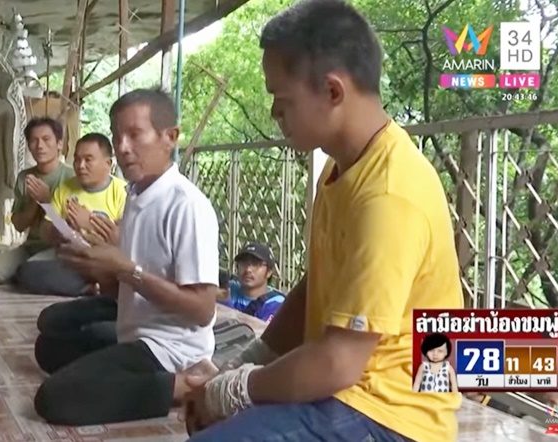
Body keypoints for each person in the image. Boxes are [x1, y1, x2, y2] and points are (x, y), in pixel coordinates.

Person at [183, 1, 464, 441]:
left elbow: (338, 362)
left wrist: (235, 390)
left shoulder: (389, 194)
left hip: (390, 416)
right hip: (343, 392)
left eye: (282, 99)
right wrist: (245, 362)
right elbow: (317, 287)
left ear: (333, 92)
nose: (274, 113)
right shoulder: (341, 168)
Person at [32, 88, 220, 426]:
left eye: (135, 134)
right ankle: (129, 371)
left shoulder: (187, 205)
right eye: (117, 136)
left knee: (54, 398)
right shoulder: (135, 195)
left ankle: (185, 385)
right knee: (48, 347)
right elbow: (124, 284)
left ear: (170, 137)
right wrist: (99, 269)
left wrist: (125, 270)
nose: (122, 147)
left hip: (171, 348)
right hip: (133, 327)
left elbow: (203, 310)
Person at [16, 132, 128, 296]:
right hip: (71, 258)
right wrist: (65, 228)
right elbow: (46, 230)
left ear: (108, 163)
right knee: (26, 272)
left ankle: (96, 283)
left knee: (117, 270)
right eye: (77, 159)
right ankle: (91, 287)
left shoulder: (122, 192)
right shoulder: (65, 188)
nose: (80, 166)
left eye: (88, 160)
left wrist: (89, 222)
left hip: (103, 260)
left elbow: (124, 240)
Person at [0, 117, 73, 285]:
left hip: (60, 248)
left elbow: (70, 228)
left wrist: (47, 201)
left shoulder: (71, 177)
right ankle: (24, 273)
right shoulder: (24, 177)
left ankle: (27, 273)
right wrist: (35, 202)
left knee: (29, 271)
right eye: (34, 141)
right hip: (31, 246)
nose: (40, 146)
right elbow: (19, 226)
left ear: (59, 144)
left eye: (46, 139)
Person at [219, 243, 285, 323]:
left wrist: (225, 302)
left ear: (269, 272)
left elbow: (258, 329)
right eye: (243, 263)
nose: (248, 269)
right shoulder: (228, 288)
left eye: (255, 264)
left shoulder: (276, 303)